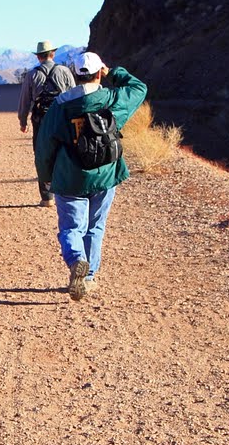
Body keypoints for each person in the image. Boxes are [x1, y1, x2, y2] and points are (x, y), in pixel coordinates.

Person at [33, 50, 147, 301]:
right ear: (99, 73)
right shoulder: (113, 99)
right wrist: (113, 73)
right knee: (95, 227)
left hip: (70, 176)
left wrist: (46, 176)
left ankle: (76, 261)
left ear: (74, 75)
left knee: (71, 228)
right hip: (105, 174)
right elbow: (139, 88)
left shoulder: (60, 106)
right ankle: (88, 278)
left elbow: (45, 146)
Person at [17, 40, 76, 205]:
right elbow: (73, 96)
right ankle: (65, 192)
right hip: (62, 120)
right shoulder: (64, 71)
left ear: (38, 57)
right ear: (53, 54)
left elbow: (25, 101)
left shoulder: (32, 75)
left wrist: (23, 121)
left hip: (40, 120)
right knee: (64, 152)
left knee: (42, 155)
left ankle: (47, 197)